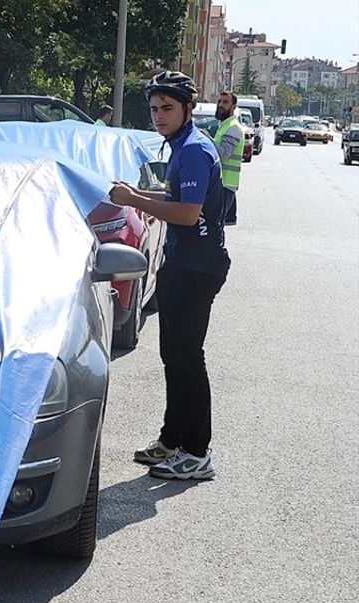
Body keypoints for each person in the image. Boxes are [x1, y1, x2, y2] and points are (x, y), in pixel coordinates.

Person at [109, 71, 229, 481]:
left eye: (168, 108)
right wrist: (137, 195)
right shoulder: (181, 145)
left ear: (188, 109)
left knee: (187, 360)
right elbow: (176, 198)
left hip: (198, 267)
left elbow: (187, 212)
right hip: (182, 263)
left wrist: (135, 199)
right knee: (173, 359)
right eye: (155, 108)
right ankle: (173, 439)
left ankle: (196, 453)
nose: (159, 115)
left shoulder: (194, 149)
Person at [212, 90, 244, 225]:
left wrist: (207, 140)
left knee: (215, 226)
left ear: (234, 106)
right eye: (219, 101)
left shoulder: (233, 128)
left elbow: (224, 154)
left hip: (225, 185)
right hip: (220, 184)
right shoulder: (224, 126)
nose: (220, 105)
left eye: (225, 102)